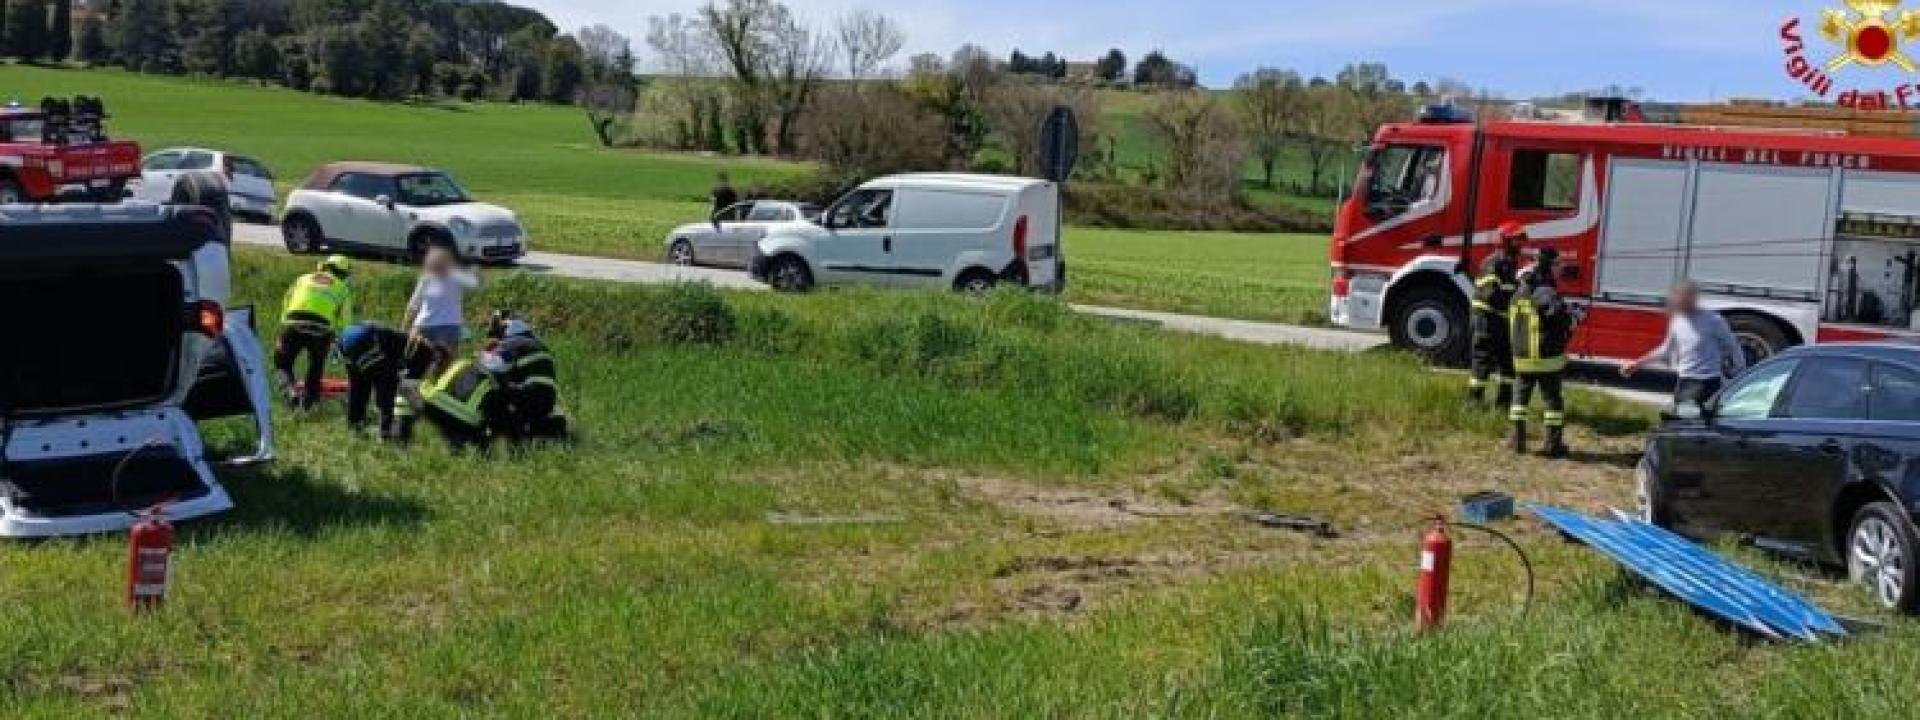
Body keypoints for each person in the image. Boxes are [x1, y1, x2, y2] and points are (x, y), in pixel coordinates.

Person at [1620, 281, 1748, 410]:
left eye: (1683, 299)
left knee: (1686, 420)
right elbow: (1665, 350)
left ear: (1693, 299)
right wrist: (1637, 364)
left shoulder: (1713, 320)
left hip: (1707, 381)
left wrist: (1740, 372)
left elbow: (1732, 346)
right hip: (1684, 380)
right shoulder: (1677, 319)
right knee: (1684, 421)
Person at [1509, 247, 1575, 458]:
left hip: (1522, 357)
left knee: (1519, 401)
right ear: (1550, 265)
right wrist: (1574, 318)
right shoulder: (1545, 291)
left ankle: (1516, 442)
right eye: (1558, 264)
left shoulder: (1518, 293)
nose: (1561, 268)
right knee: (1553, 402)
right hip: (1546, 358)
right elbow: (1558, 318)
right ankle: (1553, 446)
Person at [275, 255, 355, 409]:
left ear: (323, 267)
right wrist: (336, 337)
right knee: (316, 366)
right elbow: (346, 322)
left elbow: (286, 300)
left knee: (282, 363)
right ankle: (308, 403)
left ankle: (290, 392)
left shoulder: (302, 279)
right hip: (322, 328)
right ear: (344, 274)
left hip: (293, 323)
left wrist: (284, 327)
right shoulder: (343, 289)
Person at [336, 321, 437, 438]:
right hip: (366, 339)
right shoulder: (425, 355)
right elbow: (407, 388)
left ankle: (354, 425)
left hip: (347, 336)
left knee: (359, 385)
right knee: (388, 384)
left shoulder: (405, 339)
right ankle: (385, 432)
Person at [1468, 222, 1526, 407]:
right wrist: (1513, 306)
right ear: (1506, 241)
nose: (1520, 244)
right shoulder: (1491, 263)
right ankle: (1474, 403)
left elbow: (1512, 292)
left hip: (1502, 321)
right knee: (1482, 361)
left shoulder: (1510, 264)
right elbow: (1491, 295)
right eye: (1517, 240)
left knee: (1507, 361)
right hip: (1486, 320)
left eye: (1521, 240)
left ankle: (1503, 403)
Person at [486, 313, 569, 441]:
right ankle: (549, 430)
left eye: (500, 333)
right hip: (548, 398)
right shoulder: (540, 346)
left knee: (492, 397)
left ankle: (510, 440)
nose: (500, 338)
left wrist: (480, 357)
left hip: (527, 394)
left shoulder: (512, 342)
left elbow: (492, 365)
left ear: (509, 329)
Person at [403, 246, 476, 377]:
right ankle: (435, 394)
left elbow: (413, 306)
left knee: (413, 366)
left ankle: (410, 392)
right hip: (450, 327)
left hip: (424, 326)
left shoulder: (427, 277)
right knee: (445, 372)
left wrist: (404, 329)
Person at [410, 357, 511, 452]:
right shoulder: (494, 385)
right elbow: (490, 417)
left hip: (432, 402)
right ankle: (459, 451)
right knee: (473, 434)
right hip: (460, 416)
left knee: (451, 429)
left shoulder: (463, 362)